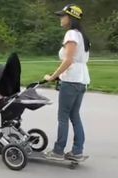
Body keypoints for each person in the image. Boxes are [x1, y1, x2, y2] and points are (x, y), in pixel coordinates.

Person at [43, 4, 91, 161]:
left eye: (62, 16)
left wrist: (52, 76)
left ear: (70, 18)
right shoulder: (82, 35)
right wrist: (59, 75)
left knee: (63, 117)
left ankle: (58, 151)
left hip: (71, 81)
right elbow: (75, 60)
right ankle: (77, 151)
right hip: (81, 80)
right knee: (74, 116)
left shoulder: (71, 34)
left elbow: (69, 60)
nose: (61, 18)